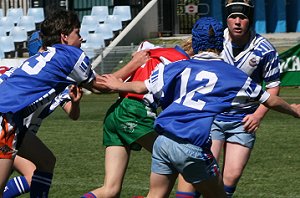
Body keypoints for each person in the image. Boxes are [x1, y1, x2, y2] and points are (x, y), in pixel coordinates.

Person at [99, 17, 300, 198]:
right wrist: (293, 110)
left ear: (195, 42)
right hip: (191, 147)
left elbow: (142, 86)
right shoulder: (231, 74)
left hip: (163, 142)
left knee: (156, 195)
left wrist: (118, 84)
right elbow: (269, 100)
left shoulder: (177, 66)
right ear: (222, 43)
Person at [0, 9, 149, 198]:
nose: (82, 39)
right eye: (77, 33)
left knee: (46, 161)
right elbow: (100, 86)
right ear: (64, 36)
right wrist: (137, 70)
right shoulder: (69, 55)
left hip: (12, 119)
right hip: (6, 117)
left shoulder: (48, 57)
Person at [81, 40, 191, 198]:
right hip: (135, 111)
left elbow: (143, 46)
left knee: (110, 190)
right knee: (176, 161)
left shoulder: (155, 52)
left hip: (116, 111)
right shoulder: (183, 62)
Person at [1, 31, 83, 198]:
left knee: (45, 162)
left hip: (19, 135)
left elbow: (72, 114)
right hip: (9, 131)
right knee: (34, 173)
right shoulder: (36, 76)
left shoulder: (46, 77)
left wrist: (75, 101)